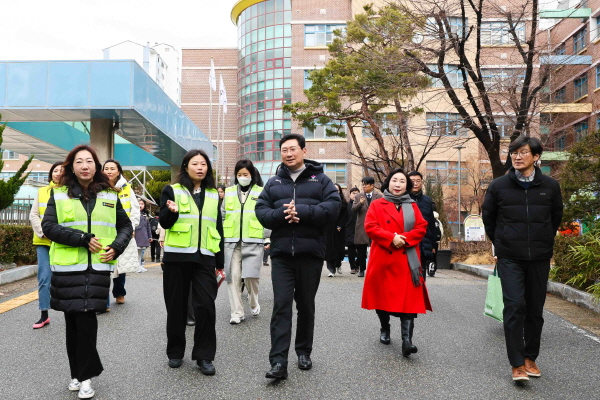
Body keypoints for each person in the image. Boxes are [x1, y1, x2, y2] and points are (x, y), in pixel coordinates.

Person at [42, 145, 132, 399]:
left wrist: (116, 247)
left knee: (86, 320)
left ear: (96, 166)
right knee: (73, 322)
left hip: (97, 268)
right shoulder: (59, 194)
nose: (85, 166)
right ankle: (77, 373)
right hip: (67, 268)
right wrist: (81, 238)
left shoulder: (110, 195)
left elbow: (125, 227)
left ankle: (85, 377)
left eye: (89, 161)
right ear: (71, 167)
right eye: (79, 161)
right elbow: (49, 226)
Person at [256, 133, 341, 380]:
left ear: (304, 151)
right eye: (284, 150)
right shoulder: (274, 182)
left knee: (305, 305)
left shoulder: (321, 180)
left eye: (293, 149)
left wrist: (301, 211)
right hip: (282, 253)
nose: (289, 153)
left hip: (310, 253)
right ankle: (278, 362)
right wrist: (283, 215)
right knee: (281, 305)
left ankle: (304, 351)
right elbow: (261, 210)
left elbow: (333, 207)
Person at [482, 136, 563, 382]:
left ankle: (530, 358)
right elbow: (489, 218)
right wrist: (501, 243)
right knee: (514, 306)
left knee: (535, 309)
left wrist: (545, 240)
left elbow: (555, 217)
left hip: (539, 256)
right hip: (510, 257)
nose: (517, 157)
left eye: (523, 152)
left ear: (536, 157)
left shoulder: (550, 186)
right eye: (514, 152)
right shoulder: (498, 186)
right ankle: (517, 363)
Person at [159, 149, 225, 375]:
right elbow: (165, 223)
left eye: (203, 164)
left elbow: (218, 226)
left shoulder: (214, 194)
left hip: (205, 257)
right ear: (186, 167)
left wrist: (220, 262)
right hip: (177, 258)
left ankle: (204, 356)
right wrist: (172, 212)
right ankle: (175, 352)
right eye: (195, 163)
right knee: (176, 307)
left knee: (206, 306)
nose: (200, 168)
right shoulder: (172, 190)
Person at [361, 168, 431, 358]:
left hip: (407, 260)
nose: (398, 184)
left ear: (407, 186)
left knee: (409, 300)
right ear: (388, 183)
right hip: (383, 258)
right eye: (395, 180)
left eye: (402, 181)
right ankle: (385, 327)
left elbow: (421, 226)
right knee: (382, 298)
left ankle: (407, 341)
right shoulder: (377, 204)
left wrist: (404, 239)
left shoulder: (412, 205)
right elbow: (370, 227)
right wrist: (391, 238)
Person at [222, 159, 265, 324]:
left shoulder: (261, 192)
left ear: (252, 175)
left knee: (250, 277)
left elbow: (266, 216)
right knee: (233, 276)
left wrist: (267, 236)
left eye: (245, 174)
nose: (242, 177)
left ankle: (253, 302)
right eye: (239, 174)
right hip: (232, 241)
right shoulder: (229, 192)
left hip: (253, 240)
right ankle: (237, 313)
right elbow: (222, 214)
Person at [102, 159, 141, 308]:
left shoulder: (126, 188)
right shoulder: (98, 187)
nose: (109, 171)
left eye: (112, 168)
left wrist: (131, 228)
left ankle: (119, 293)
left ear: (118, 171)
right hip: (105, 230)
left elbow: (135, 209)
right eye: (106, 168)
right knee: (104, 263)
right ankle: (103, 298)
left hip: (122, 231)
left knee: (120, 265)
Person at [29, 161, 63, 329]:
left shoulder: (71, 192)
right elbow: (34, 215)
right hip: (43, 241)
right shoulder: (42, 191)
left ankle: (71, 311)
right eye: (55, 170)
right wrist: (43, 232)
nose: (58, 173)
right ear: (51, 174)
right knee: (44, 278)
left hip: (63, 243)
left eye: (62, 171)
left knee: (67, 279)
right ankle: (44, 314)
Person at [408, 172, 436, 282]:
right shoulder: (402, 199)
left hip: (423, 241)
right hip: (407, 241)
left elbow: (431, 224)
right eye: (412, 181)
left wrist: (433, 244)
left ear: (421, 182)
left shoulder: (427, 201)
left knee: (421, 275)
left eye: (418, 181)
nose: (415, 183)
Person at [352, 176, 383, 277]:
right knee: (361, 250)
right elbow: (353, 209)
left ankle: (375, 269)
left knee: (376, 249)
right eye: (363, 185)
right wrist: (360, 204)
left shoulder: (379, 196)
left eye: (366, 185)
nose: (364, 187)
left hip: (375, 225)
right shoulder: (358, 196)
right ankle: (362, 269)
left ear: (372, 185)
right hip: (362, 226)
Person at [325, 183, 348, 277]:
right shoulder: (326, 200)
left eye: (337, 190)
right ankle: (331, 269)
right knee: (329, 249)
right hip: (329, 228)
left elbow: (345, 216)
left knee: (339, 248)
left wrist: (340, 225)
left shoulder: (344, 203)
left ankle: (338, 264)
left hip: (339, 229)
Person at [345, 187, 360, 274]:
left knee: (361, 249)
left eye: (357, 193)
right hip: (349, 229)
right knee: (351, 249)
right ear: (350, 194)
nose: (355, 195)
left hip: (360, 229)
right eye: (353, 193)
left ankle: (358, 264)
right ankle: (353, 267)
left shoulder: (362, 205)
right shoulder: (347, 206)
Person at [135, 199, 152, 272]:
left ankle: (139, 265)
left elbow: (148, 226)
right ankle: (136, 267)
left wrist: (150, 236)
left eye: (142, 204)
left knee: (140, 251)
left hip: (144, 235)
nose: (140, 205)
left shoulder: (145, 214)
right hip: (137, 235)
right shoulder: (134, 213)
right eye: (139, 203)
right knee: (136, 251)